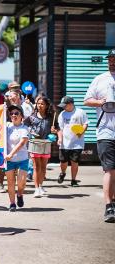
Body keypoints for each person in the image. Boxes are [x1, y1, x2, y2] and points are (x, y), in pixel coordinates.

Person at [84, 48, 115, 223]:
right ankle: (108, 206)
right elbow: (87, 100)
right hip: (105, 131)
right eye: (110, 58)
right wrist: (100, 102)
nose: (112, 61)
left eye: (114, 58)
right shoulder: (100, 79)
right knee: (109, 169)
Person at [24, 96, 58, 198]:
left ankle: (40, 185)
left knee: (43, 167)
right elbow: (24, 125)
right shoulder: (32, 117)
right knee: (36, 167)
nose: (40, 105)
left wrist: (54, 131)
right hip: (34, 143)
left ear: (47, 105)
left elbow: (56, 128)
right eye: (38, 103)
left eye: (42, 104)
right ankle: (36, 188)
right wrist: (30, 131)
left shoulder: (51, 117)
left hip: (46, 143)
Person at [57, 96, 89, 187]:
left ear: (71, 104)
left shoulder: (80, 112)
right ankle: (63, 173)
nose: (63, 107)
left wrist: (81, 131)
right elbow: (60, 129)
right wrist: (60, 139)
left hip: (77, 143)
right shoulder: (62, 114)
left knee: (74, 161)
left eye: (65, 105)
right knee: (63, 161)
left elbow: (85, 124)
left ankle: (73, 180)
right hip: (64, 142)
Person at [4, 105, 29, 212]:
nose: (13, 115)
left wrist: (11, 154)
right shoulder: (6, 126)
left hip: (22, 158)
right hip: (9, 160)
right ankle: (12, 203)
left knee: (21, 182)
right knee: (10, 182)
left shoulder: (25, 128)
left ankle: (19, 194)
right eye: (11, 113)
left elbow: (22, 143)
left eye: (16, 113)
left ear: (21, 116)